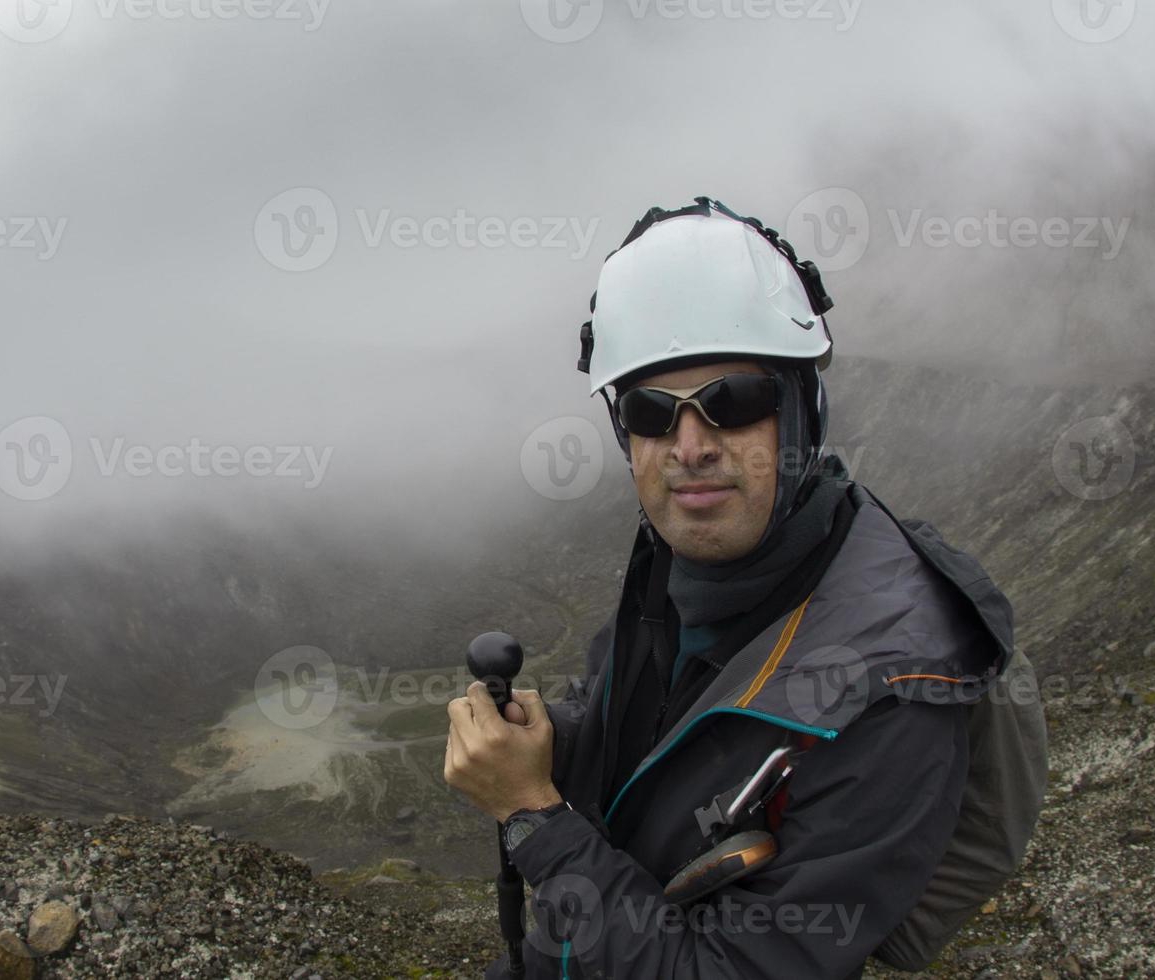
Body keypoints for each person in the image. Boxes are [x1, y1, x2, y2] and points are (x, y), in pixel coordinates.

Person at [444, 197, 1046, 978]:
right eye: (651, 412)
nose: (689, 447)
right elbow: (655, 729)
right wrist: (550, 736)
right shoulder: (685, 564)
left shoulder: (896, 685)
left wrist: (532, 816)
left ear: (799, 413)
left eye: (733, 401)